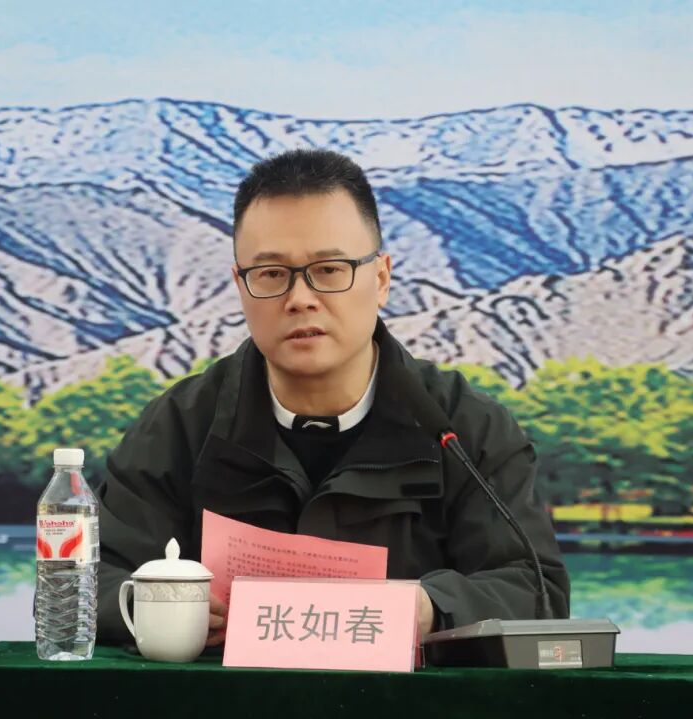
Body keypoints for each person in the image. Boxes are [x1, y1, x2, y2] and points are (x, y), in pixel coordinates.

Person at [95, 149, 570, 648]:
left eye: (329, 269)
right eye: (271, 274)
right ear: (240, 285)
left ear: (381, 278)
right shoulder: (181, 424)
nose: (300, 298)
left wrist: (432, 610)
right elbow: (90, 581)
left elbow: (536, 590)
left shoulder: (463, 428)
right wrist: (152, 606)